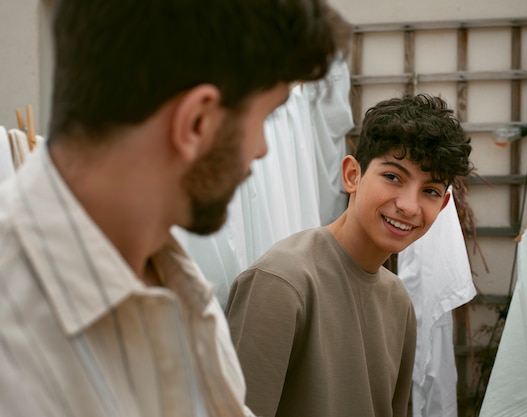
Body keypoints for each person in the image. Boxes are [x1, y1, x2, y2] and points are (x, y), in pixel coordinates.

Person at [0, 0, 350, 416]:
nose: (261, 150)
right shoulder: (15, 350)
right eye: (266, 118)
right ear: (197, 123)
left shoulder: (181, 288)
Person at [225, 93, 473, 417]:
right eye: (393, 177)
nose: (409, 206)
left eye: (430, 191)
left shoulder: (398, 301)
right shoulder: (281, 283)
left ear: (442, 206)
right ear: (352, 175)